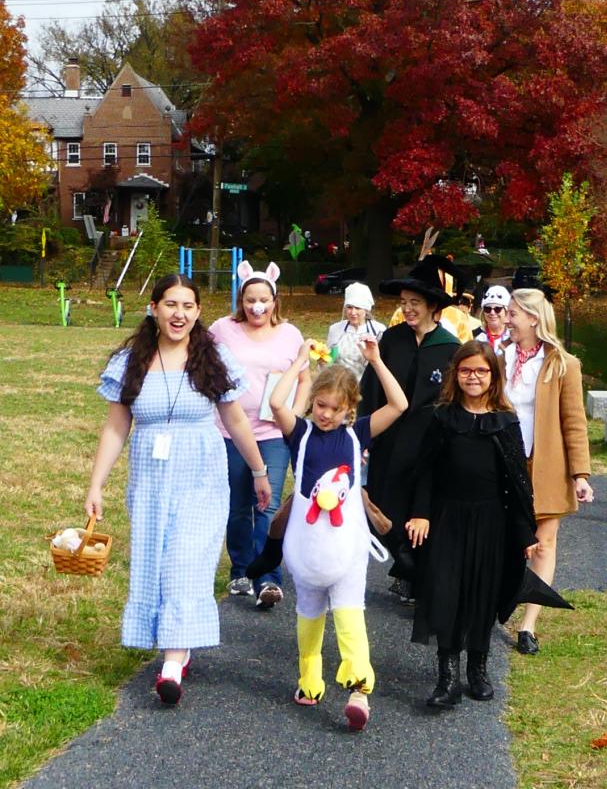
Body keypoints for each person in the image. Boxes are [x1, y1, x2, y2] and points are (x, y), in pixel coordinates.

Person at [84, 274, 270, 705]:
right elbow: (116, 426)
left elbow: (237, 420)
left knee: (185, 561)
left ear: (198, 311)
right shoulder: (132, 361)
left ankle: (171, 664)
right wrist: (96, 484)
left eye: (188, 306)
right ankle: (175, 644)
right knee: (156, 561)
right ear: (153, 307)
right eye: (170, 304)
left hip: (201, 473)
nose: (179, 314)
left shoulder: (211, 356)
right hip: (150, 476)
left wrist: (259, 471)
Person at [269, 337, 408, 730]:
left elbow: (399, 405)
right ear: (312, 402)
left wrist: (377, 361)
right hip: (306, 546)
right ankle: (309, 681)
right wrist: (299, 363)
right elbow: (277, 404)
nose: (326, 414)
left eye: (335, 408)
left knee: (350, 616)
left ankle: (359, 689)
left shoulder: (357, 433)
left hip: (346, 546)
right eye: (320, 405)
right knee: (308, 616)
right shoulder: (299, 434)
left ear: (350, 410)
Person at [406, 341, 539, 708]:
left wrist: (525, 532)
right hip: (448, 518)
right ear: (456, 374)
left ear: (493, 376)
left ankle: (477, 670)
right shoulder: (442, 417)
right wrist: (421, 513)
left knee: (482, 594)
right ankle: (446, 678)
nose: (473, 377)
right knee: (447, 592)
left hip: (491, 520)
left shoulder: (506, 422)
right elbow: (425, 471)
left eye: (481, 371)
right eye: (466, 370)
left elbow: (516, 484)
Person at [209, 261, 310, 610]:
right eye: (250, 300)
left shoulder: (291, 335)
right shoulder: (222, 329)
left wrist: (293, 417)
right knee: (238, 506)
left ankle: (267, 576)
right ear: (241, 299)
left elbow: (304, 379)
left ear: (275, 299)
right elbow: (199, 362)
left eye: (264, 300)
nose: (257, 307)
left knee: (267, 505)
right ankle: (240, 569)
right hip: (230, 431)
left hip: (272, 433)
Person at [360, 255, 461, 602]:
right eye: (404, 303)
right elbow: (371, 387)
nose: (407, 310)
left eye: (415, 303)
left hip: (431, 443)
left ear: (434, 307)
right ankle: (406, 563)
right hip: (391, 440)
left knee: (422, 511)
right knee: (384, 508)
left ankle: (414, 575)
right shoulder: (391, 340)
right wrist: (363, 436)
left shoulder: (451, 348)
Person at [504, 287, 594, 655]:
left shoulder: (562, 363)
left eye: (512, 313)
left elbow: (574, 422)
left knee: (544, 543)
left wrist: (581, 475)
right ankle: (497, 603)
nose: (506, 319)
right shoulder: (499, 356)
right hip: (504, 462)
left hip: (546, 465)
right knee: (505, 539)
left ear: (532, 318)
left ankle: (528, 625)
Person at [326, 282, 386, 381]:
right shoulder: (336, 329)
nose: (353, 312)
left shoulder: (378, 330)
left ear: (366, 310)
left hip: (369, 386)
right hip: (341, 386)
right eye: (349, 307)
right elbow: (329, 360)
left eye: (357, 308)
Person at [476, 285, 511, 354]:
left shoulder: (513, 337)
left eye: (497, 309)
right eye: (487, 309)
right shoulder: (475, 335)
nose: (492, 313)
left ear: (506, 312)